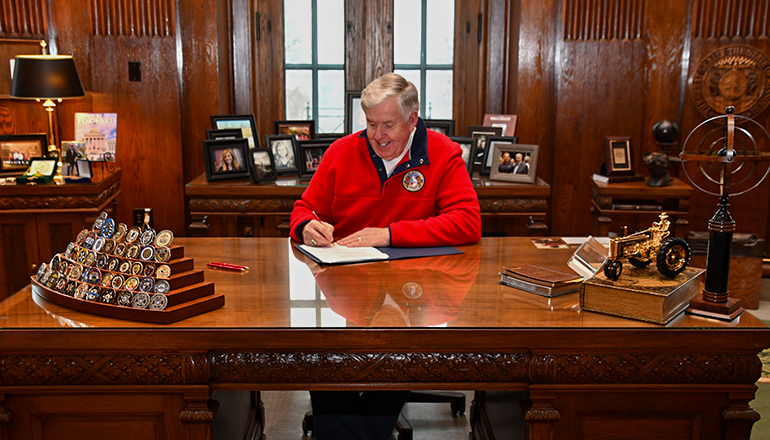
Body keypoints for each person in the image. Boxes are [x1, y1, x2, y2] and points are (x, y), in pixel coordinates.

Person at [289, 72, 481, 440]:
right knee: (323, 355)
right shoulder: (342, 151)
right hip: (348, 286)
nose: (378, 136)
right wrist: (306, 226)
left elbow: (468, 222)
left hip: (418, 290)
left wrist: (391, 234)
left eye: (388, 125)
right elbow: (304, 208)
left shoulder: (442, 153)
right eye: (371, 124)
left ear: (413, 119)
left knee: (398, 351)